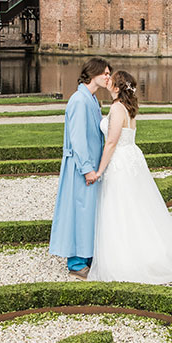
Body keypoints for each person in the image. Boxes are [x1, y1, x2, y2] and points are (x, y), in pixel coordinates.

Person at [89, 70, 172, 284]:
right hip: (131, 158)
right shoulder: (128, 107)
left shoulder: (117, 108)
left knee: (119, 207)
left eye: (111, 79)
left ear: (117, 88)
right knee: (136, 206)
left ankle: (125, 259)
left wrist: (99, 170)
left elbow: (111, 142)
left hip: (120, 161)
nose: (107, 80)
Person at [49, 57, 112, 275]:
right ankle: (76, 262)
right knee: (80, 210)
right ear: (92, 73)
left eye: (108, 73)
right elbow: (78, 140)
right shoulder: (79, 100)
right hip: (80, 167)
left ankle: (89, 254)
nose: (108, 77)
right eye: (104, 73)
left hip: (91, 165)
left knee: (89, 211)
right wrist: (87, 169)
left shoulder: (92, 100)